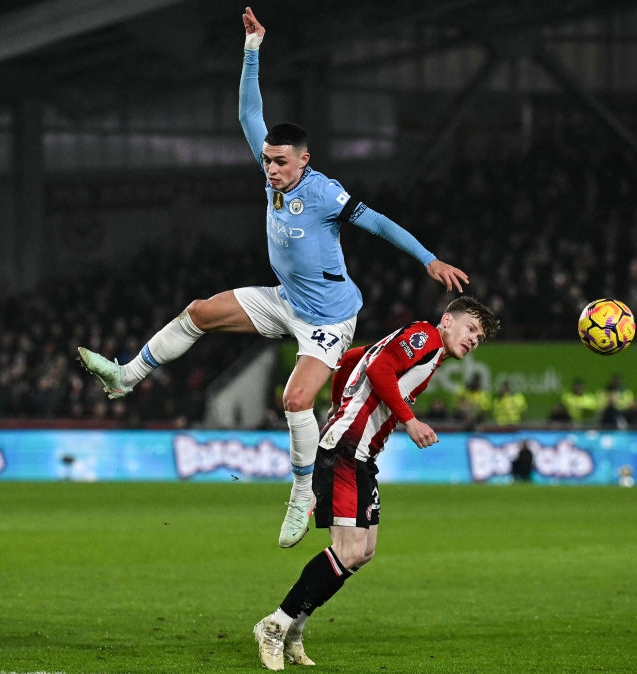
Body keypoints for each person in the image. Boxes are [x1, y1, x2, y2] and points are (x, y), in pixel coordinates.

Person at [77, 7, 468, 549]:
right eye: (266, 161)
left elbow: (375, 221)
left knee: (294, 400)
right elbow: (247, 113)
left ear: (304, 160)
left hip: (330, 319)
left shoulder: (324, 192)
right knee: (199, 312)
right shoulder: (273, 178)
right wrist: (253, 48)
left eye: (281, 162)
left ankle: (303, 492)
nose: (271, 169)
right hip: (286, 300)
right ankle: (125, 377)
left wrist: (428, 259)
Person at [251, 297, 498, 670]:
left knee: (363, 552)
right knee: (347, 551)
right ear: (447, 320)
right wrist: (409, 420)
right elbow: (380, 366)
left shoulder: (424, 349)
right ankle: (276, 626)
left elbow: (350, 359)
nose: (474, 340)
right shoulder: (425, 337)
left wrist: (338, 405)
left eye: (479, 338)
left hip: (361, 457)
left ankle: (293, 628)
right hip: (346, 452)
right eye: (471, 329)